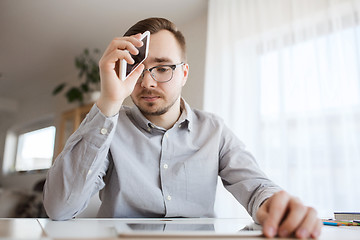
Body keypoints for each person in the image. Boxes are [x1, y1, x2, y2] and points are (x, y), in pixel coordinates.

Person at [44, 17, 322, 238]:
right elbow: (59, 208)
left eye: (162, 68)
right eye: (137, 69)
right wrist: (109, 102)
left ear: (184, 73)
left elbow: (256, 186)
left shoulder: (214, 130)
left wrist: (276, 208)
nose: (148, 83)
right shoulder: (109, 126)